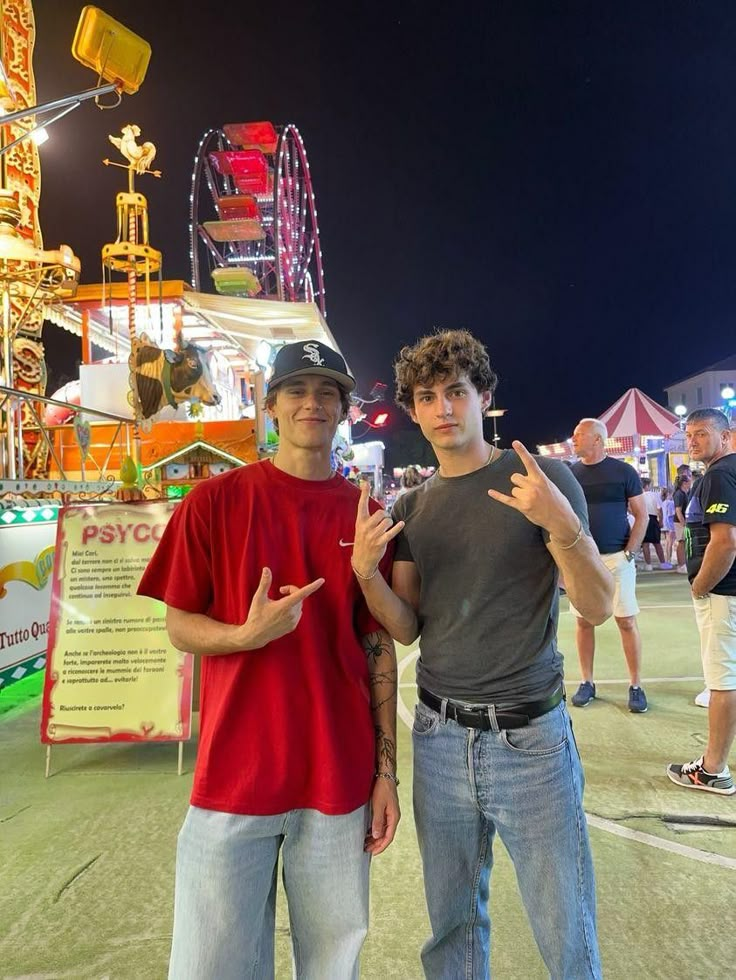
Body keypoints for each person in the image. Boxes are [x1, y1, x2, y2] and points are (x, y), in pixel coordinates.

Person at [350, 329, 612, 979]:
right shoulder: (413, 507)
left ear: (483, 397)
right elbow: (407, 628)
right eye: (428, 396)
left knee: (566, 929)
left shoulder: (542, 480)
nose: (443, 408)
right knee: (453, 930)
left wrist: (564, 527)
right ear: (413, 409)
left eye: (456, 393)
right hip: (440, 741)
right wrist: (366, 575)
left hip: (530, 739)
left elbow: (598, 605)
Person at [137, 340, 400, 979]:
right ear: (271, 405)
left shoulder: (366, 517)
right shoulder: (213, 503)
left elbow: (379, 645)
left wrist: (387, 771)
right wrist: (244, 635)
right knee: (210, 965)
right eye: (298, 390)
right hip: (234, 775)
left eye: (328, 393)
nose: (313, 403)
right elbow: (178, 626)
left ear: (342, 411)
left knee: (333, 964)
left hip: (337, 774)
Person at [667, 409, 736, 795]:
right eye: (689, 434)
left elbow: (725, 542)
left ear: (725, 437)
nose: (693, 441)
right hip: (729, 592)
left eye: (703, 434)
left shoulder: (720, 474)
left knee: (722, 681)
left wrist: (701, 586)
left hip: (723, 594)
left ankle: (713, 769)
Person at [570, 418, 649, 712]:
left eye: (579, 436)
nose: (574, 440)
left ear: (598, 440)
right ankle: (587, 682)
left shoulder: (624, 471)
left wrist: (630, 552)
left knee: (626, 620)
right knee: (582, 621)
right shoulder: (571, 473)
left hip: (618, 559)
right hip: (584, 562)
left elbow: (641, 514)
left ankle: (636, 685)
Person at [640, 477, 672, 570]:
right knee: (657, 542)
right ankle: (662, 563)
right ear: (647, 485)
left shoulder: (639, 496)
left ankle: (648, 565)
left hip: (643, 519)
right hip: (653, 519)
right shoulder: (654, 495)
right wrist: (661, 521)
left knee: (645, 543)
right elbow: (659, 509)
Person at [673, 471, 692, 573]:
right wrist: (683, 522)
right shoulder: (679, 494)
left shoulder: (684, 493)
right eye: (689, 480)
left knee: (684, 542)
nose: (691, 482)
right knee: (681, 542)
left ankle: (683, 564)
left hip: (683, 520)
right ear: (684, 483)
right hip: (680, 521)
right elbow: (678, 510)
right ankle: (681, 565)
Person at [660, 486, 676, 565]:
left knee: (667, 542)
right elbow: (671, 515)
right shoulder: (670, 503)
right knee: (670, 542)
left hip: (664, 524)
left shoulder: (662, 503)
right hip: (670, 524)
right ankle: (669, 559)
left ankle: (667, 558)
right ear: (669, 494)